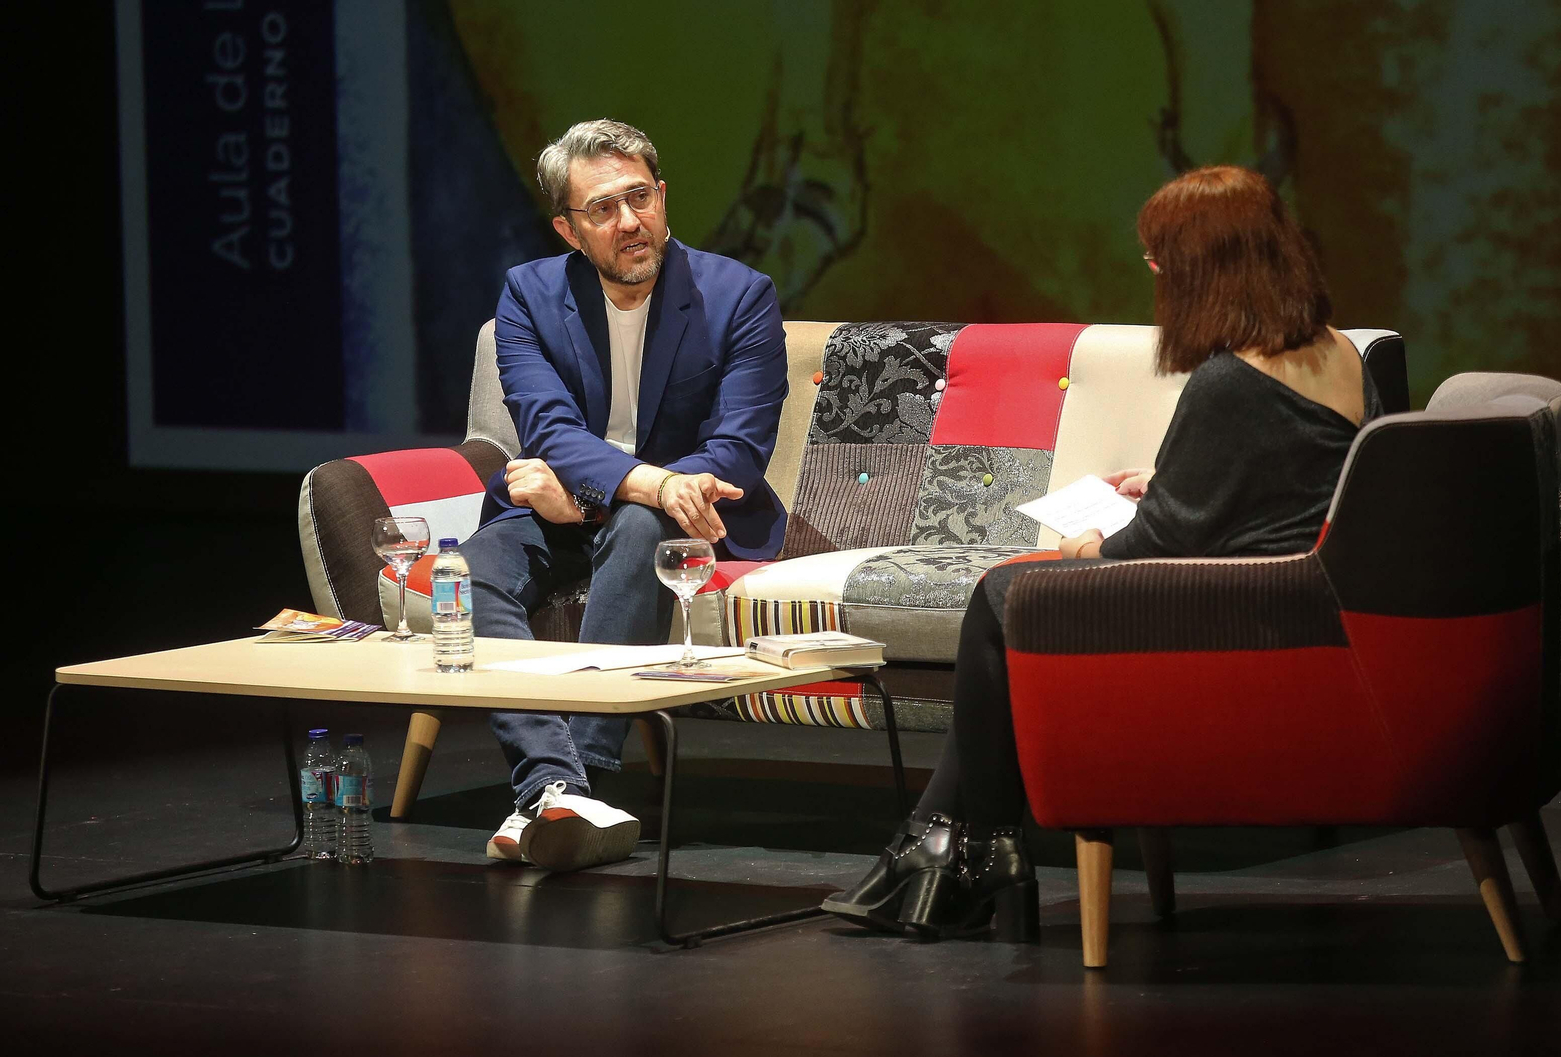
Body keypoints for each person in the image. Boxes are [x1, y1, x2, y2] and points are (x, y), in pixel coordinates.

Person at [822, 165, 1383, 938]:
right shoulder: (1338, 355)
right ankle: (956, 842)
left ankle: (966, 844)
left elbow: (1154, 548)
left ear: (1197, 270)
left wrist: (1091, 543)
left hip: (1233, 626)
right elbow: (1299, 476)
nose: (1154, 278)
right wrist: (1171, 477)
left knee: (1000, 597)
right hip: (1288, 603)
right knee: (1009, 593)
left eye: (1158, 262)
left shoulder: (1228, 384)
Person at [460, 119, 788, 872]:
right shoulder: (528, 296)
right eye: (602, 209)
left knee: (645, 526)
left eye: (639, 197)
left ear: (663, 195)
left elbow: (737, 446)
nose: (630, 221)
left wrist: (614, 495)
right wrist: (634, 483)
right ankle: (561, 787)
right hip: (562, 506)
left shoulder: (738, 295)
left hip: (669, 513)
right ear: (569, 229)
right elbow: (547, 427)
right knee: (471, 571)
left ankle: (569, 785)